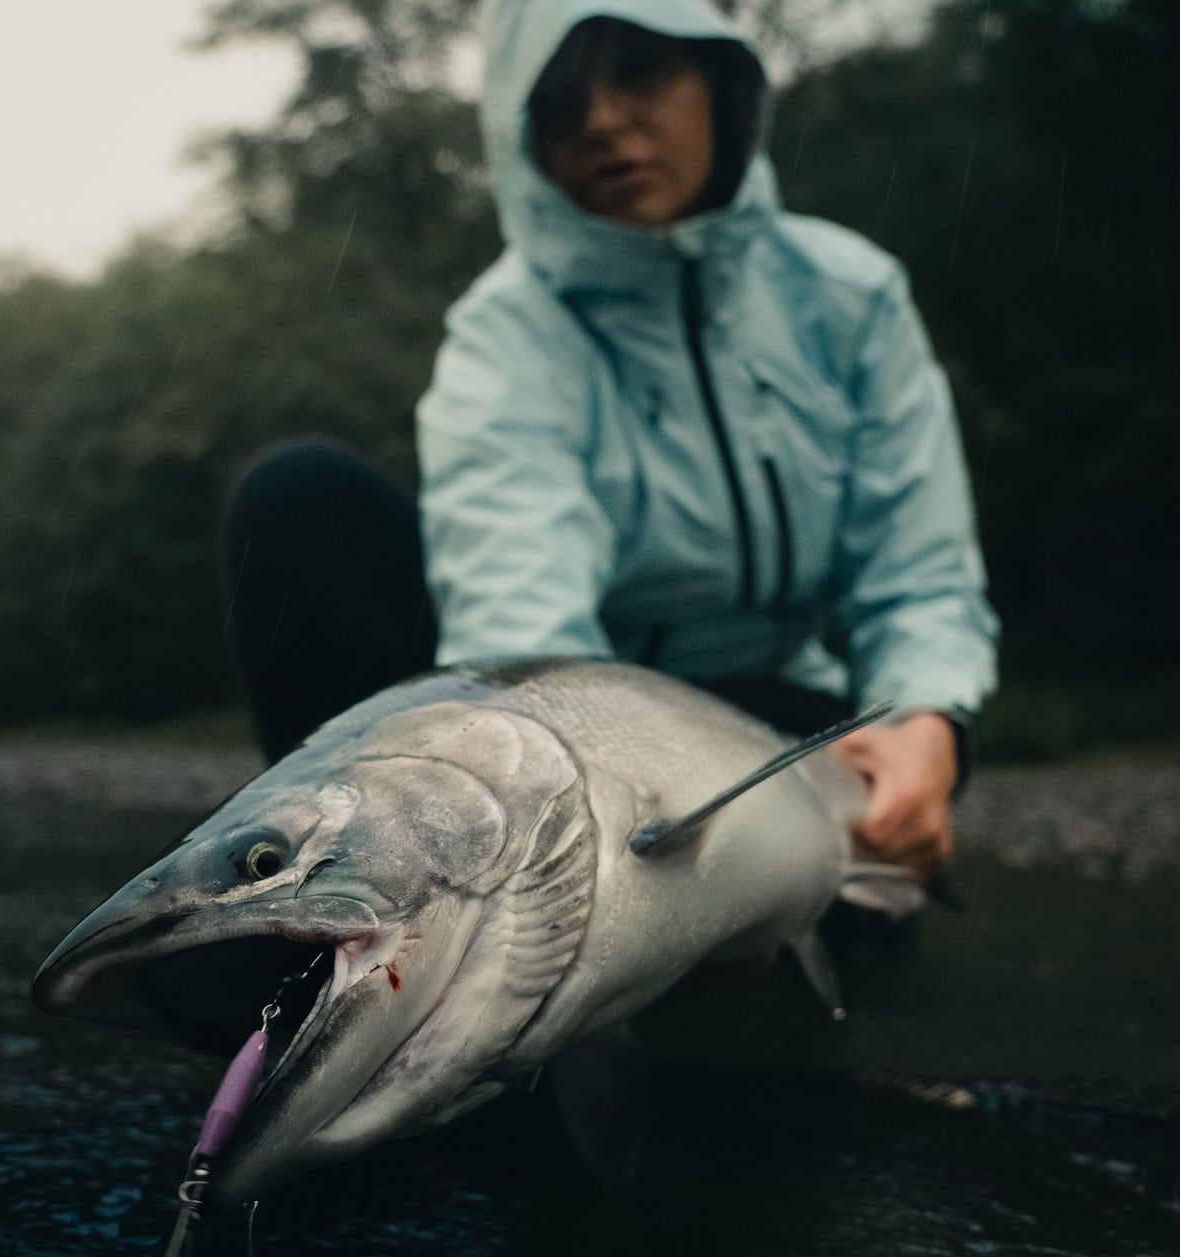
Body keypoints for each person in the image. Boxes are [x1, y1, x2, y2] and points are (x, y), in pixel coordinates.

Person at [219, 0, 998, 888]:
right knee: (298, 499)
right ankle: (348, 897)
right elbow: (525, 629)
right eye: (557, 102)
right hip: (581, 734)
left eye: (639, 71)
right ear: (524, 139)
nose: (600, 122)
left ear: (721, 81)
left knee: (821, 937)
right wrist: (623, 833)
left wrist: (927, 728)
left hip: (785, 719)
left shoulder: (851, 295)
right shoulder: (506, 335)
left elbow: (919, 575)